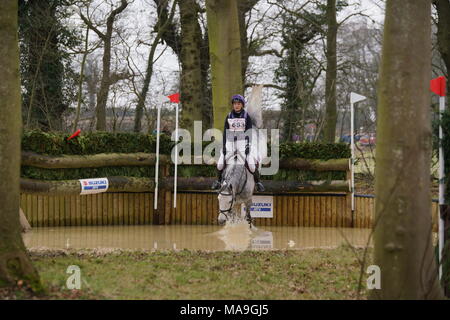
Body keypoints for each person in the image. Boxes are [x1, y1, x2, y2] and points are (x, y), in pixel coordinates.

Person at [211, 94, 265, 192]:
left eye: (239, 103)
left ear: (242, 105)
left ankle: (258, 183)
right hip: (230, 143)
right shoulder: (228, 116)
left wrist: (248, 145)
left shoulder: (246, 116)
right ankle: (218, 181)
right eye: (235, 103)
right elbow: (225, 132)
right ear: (233, 105)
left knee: (252, 165)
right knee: (219, 164)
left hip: (242, 143)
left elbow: (249, 132)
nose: (236, 105)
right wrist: (223, 146)